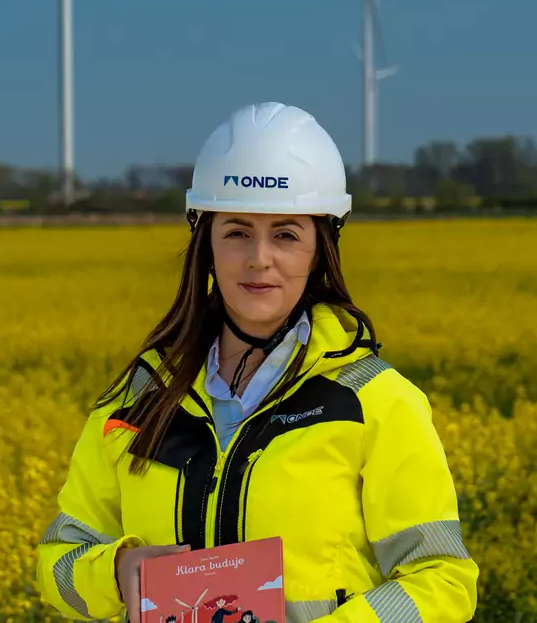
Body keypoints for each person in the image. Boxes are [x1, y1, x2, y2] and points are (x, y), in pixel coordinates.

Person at [35, 102, 478, 623]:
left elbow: (442, 581)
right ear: (208, 244)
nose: (258, 258)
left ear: (320, 250)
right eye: (237, 232)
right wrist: (116, 571)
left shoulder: (375, 403)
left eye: (286, 235)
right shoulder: (140, 399)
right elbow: (56, 564)